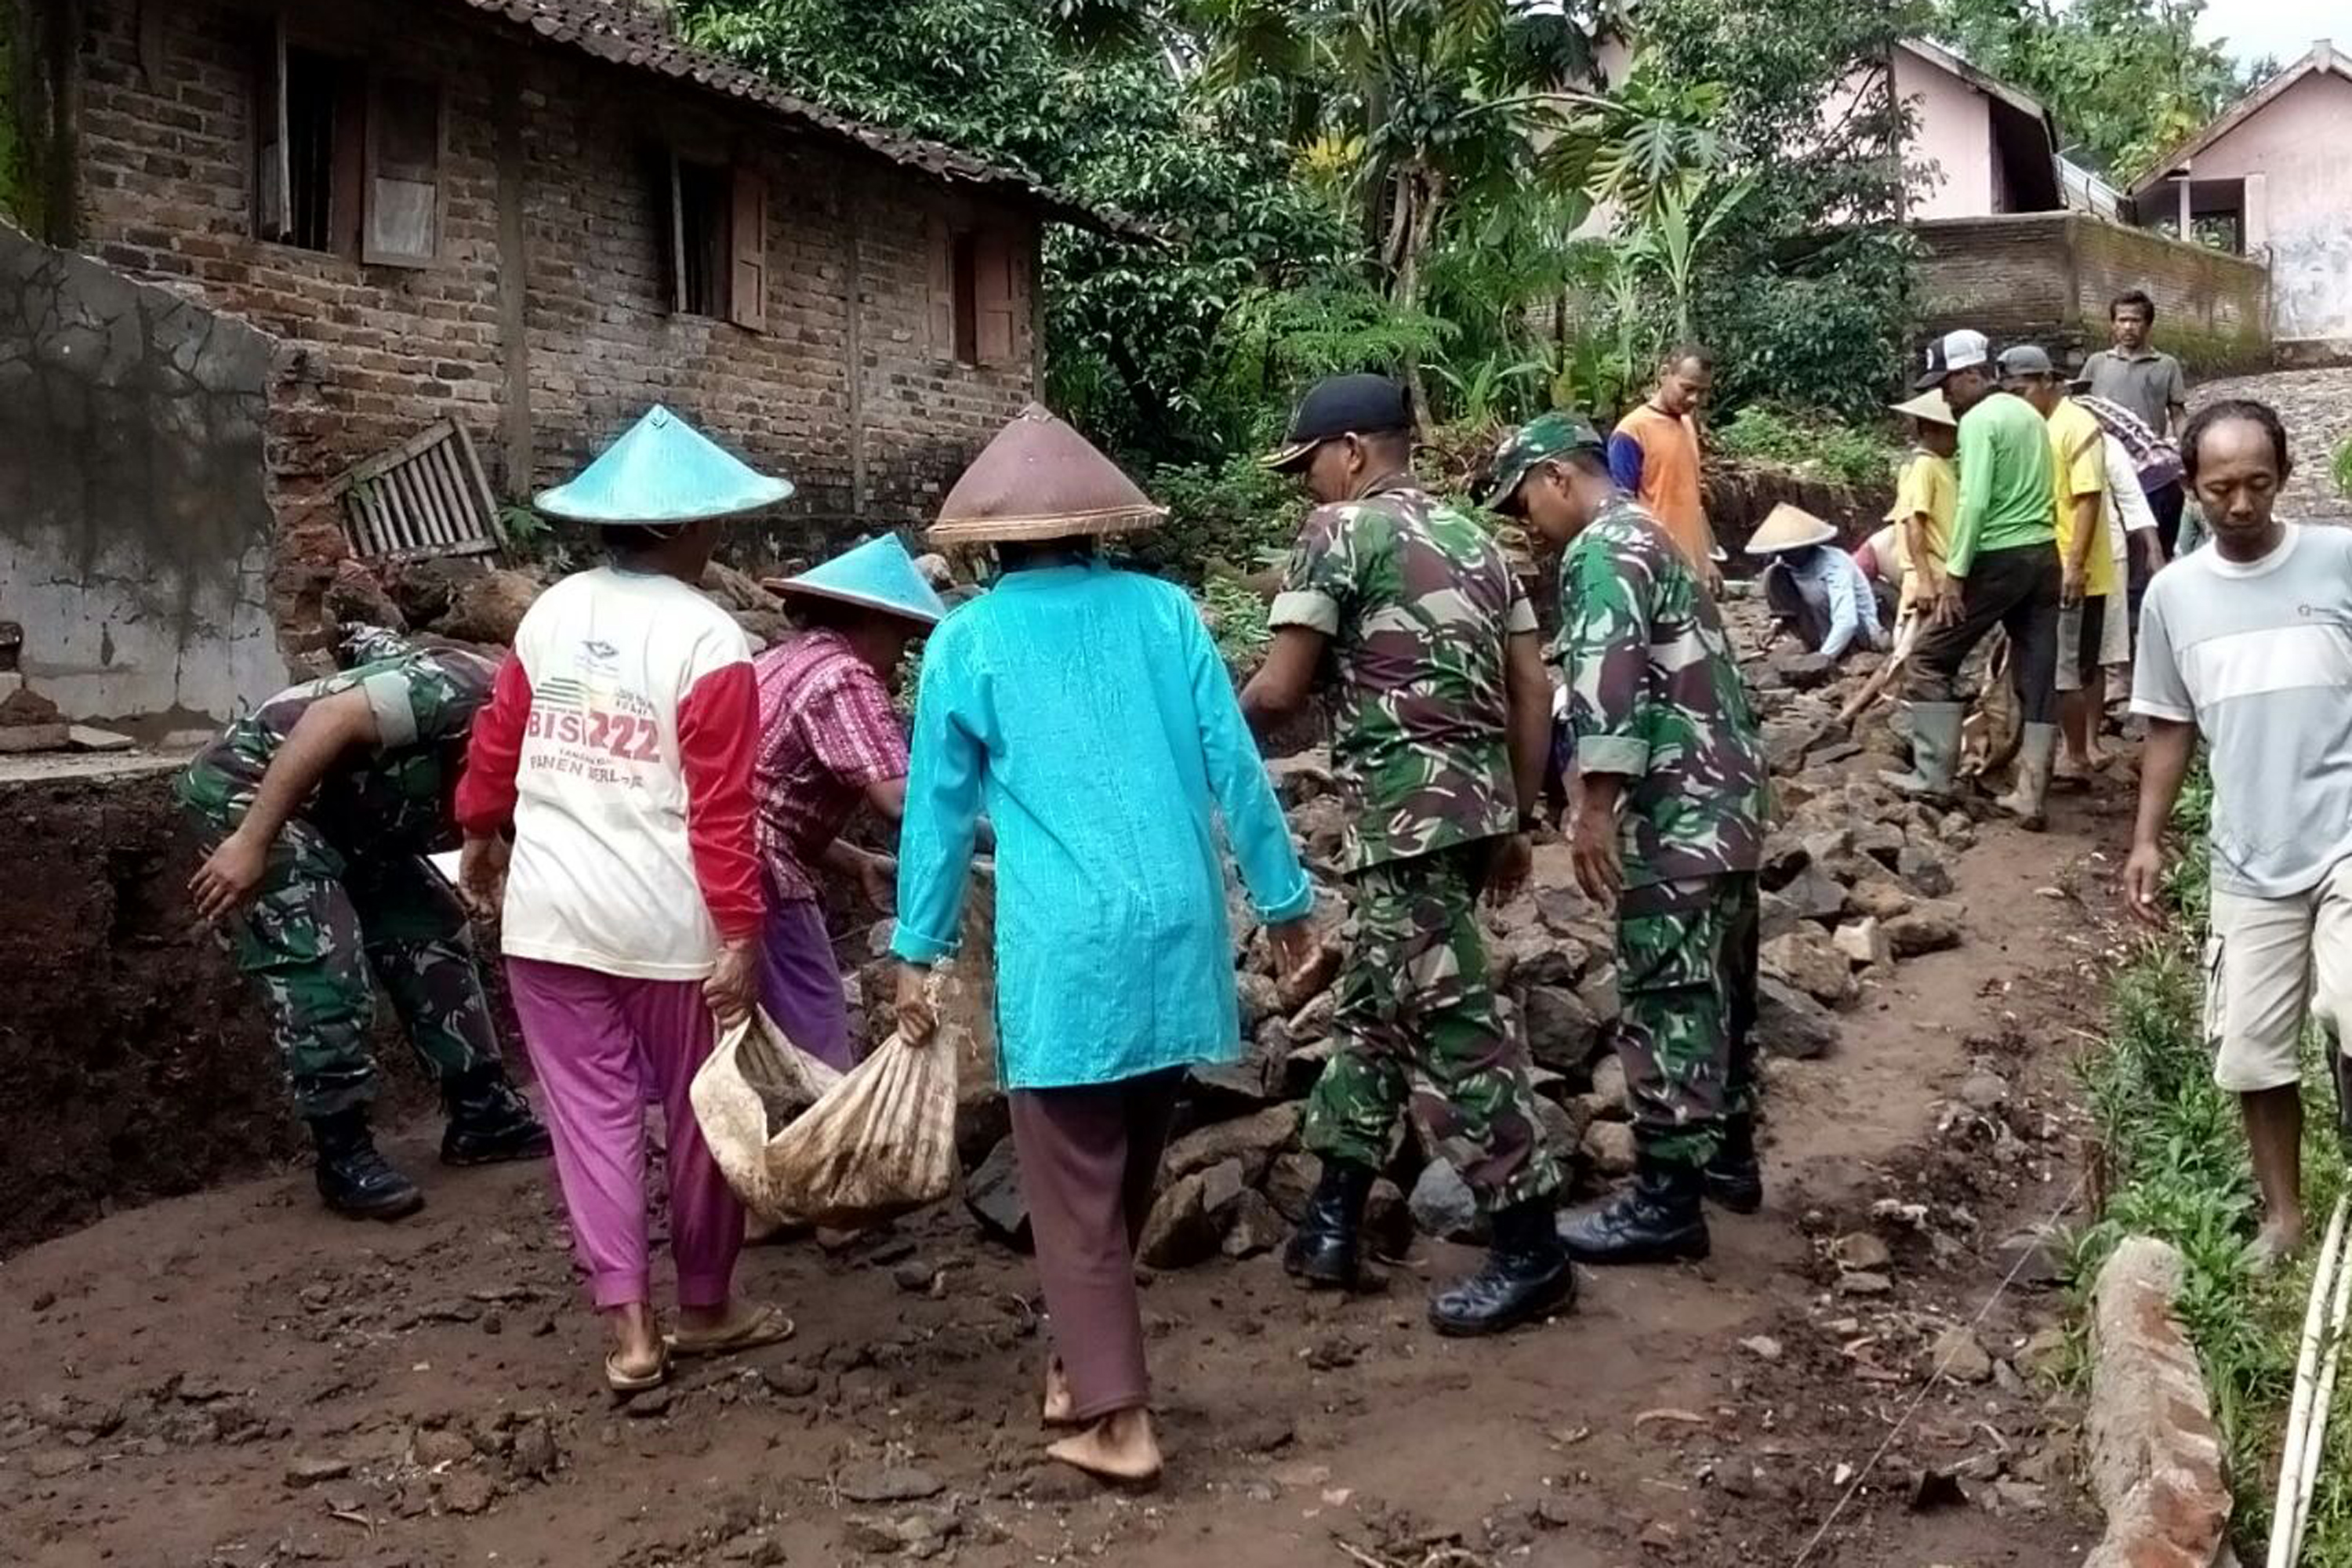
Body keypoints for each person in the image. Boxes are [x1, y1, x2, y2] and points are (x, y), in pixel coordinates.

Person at [889, 404, 1318, 1483]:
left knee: (1072, 1177)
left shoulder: (967, 640)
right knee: (1123, 1157)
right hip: (1178, 927)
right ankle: (1081, 1369)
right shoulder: (1167, 614)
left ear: (990, 543)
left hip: (1066, 946)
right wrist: (1286, 905)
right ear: (1098, 526)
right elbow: (1236, 769)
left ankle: (1120, 1422)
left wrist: (918, 951)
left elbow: (936, 816)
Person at [456, 406, 793, 1392]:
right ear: (691, 529)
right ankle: (707, 1304)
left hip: (550, 918)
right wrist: (740, 931)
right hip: (669, 925)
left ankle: (631, 1330)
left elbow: (499, 734)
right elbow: (721, 806)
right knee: (699, 1112)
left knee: (592, 1115)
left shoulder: (550, 611)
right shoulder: (710, 637)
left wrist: (478, 830)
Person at [1241, 372, 1570, 1334]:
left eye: (1310, 466)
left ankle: (1531, 1241)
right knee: (1376, 1013)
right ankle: (1334, 1220)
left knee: (1461, 1027)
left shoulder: (1340, 532)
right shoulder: (1478, 540)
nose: (1309, 485)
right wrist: (1511, 818)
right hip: (1466, 819)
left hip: (1404, 820)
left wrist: (1191, 721)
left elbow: (1281, 689)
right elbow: (1531, 692)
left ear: (1350, 451)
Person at [1483, 412, 1768, 1262]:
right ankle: (1728, 1158)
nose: (1528, 522)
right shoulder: (1652, 534)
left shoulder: (1602, 548)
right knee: (1724, 986)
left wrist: (1594, 807)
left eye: (1525, 500)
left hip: (1677, 805)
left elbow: (1609, 678)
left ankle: (1665, 1201)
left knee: (1667, 990)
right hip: (1729, 797)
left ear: (1560, 478)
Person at [177, 630, 552, 1220]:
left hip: (360, 815)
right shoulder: (464, 692)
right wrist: (251, 841)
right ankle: (343, 1151)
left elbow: (379, 653)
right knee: (321, 951)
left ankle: (483, 1114)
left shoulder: (558, 739)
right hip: (256, 790)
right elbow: (330, 718)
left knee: (432, 927)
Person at [2126, 399, 2350, 1269]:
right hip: (2248, 854)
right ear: (2191, 489)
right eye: (2222, 487)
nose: (2243, 503)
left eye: (2259, 483)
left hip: (2343, 834)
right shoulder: (2175, 596)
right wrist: (2146, 839)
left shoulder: (2337, 559)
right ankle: (2284, 1218)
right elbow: (2169, 724)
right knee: (2253, 1051)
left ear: (2285, 478)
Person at [751, 535, 946, 1069]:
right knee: (814, 1015)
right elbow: (900, 801)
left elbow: (775, 795)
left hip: (717, 852)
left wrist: (857, 862)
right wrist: (995, 829)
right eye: (902, 642)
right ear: (871, 621)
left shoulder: (781, 660)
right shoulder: (844, 674)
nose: (901, 662)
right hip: (757, 867)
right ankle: (827, 1136)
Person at [1886, 329, 2061, 829]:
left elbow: (1976, 501)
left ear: (1970, 375)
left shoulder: (1980, 421)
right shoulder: (2028, 413)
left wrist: (1956, 576)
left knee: (1929, 656)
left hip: (1999, 557)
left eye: (1946, 383)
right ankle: (2031, 794)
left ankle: (1932, 778)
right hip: (2044, 554)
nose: (1943, 395)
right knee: (2037, 673)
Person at [1999, 345, 2118, 784]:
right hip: (2043, 564)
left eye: (2022, 389)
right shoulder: (2036, 426)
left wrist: (2074, 564)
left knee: (2068, 668)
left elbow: (2087, 498)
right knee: (2058, 664)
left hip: (2075, 566)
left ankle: (2076, 754)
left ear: (2048, 381)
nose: (2017, 398)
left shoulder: (2076, 426)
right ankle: (2070, 752)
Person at [1840, 391, 1960, 725]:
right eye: (1952, 431)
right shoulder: (1925, 467)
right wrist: (1923, 579)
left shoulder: (1934, 466)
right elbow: (1913, 523)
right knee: (1908, 655)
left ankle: (1863, 712)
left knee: (1915, 655)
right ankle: (1856, 714)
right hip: (1931, 576)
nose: (1957, 438)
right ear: (1933, 430)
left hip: (1938, 574)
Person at [1609, 346, 1726, 593]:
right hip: (1658, 570)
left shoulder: (1687, 424)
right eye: (1688, 388)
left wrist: (1707, 558)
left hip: (1691, 570)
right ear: (1664, 374)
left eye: (1703, 392)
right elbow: (1620, 510)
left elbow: (1692, 502)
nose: (1695, 399)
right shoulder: (1631, 432)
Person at [1747, 503, 1887, 661]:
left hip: (1860, 635)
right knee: (1773, 575)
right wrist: (1775, 626)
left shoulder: (1834, 564)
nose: (1788, 556)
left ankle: (1841, 653)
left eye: (1793, 551)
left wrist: (1822, 659)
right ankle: (1816, 645)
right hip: (1819, 630)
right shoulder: (1782, 567)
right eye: (1783, 552)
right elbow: (1789, 605)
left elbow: (1847, 621)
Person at [2082, 289, 2190, 442]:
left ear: (2148, 324)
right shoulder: (2097, 363)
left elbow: (2178, 415)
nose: (2128, 327)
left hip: (2149, 453)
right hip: (2105, 452)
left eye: (2135, 320)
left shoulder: (2166, 365)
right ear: (2113, 324)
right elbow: (2077, 409)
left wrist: (2187, 450)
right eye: (2122, 320)